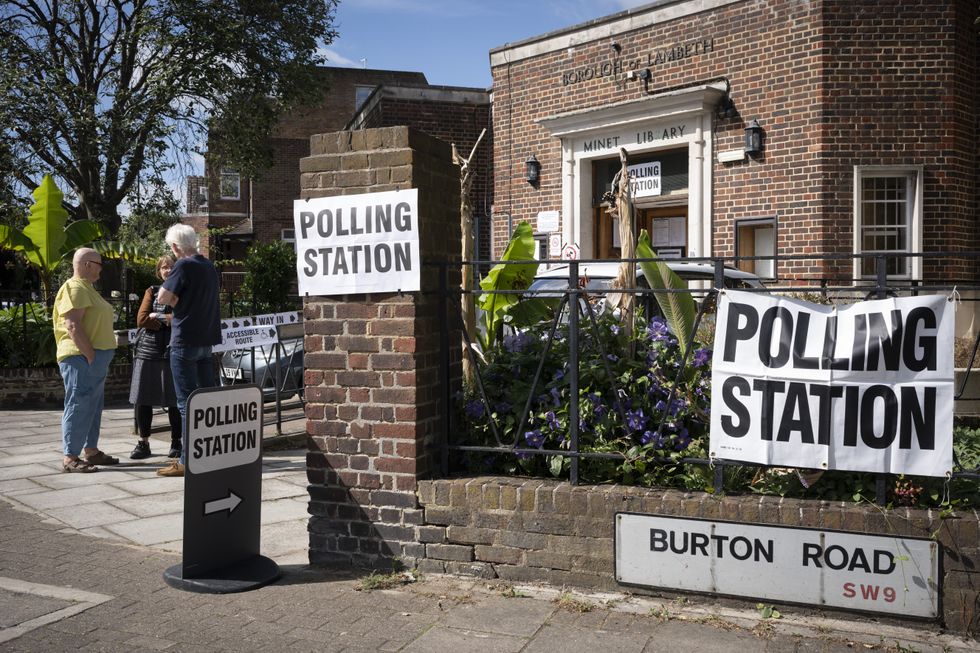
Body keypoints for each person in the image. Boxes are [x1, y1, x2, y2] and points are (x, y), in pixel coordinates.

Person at [155, 224, 221, 477]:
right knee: (207, 402)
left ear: (174, 247)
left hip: (184, 342)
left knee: (187, 404)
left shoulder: (183, 265)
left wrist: (176, 302)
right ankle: (209, 456)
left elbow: (162, 297)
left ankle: (186, 461)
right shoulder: (208, 266)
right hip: (207, 340)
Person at [53, 248, 120, 472]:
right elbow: (72, 325)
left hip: (91, 357)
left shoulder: (86, 288)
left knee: (92, 405)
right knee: (79, 404)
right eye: (100, 264)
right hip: (81, 357)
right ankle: (70, 457)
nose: (102, 268)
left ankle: (91, 451)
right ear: (88, 265)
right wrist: (90, 355)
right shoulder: (74, 287)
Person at [128, 255, 183, 460]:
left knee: (174, 400)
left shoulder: (182, 291)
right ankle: (143, 443)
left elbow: (182, 319)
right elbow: (142, 319)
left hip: (172, 349)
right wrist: (166, 320)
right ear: (159, 271)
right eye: (163, 268)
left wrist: (158, 317)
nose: (167, 270)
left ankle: (176, 442)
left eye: (170, 267)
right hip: (147, 351)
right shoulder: (151, 291)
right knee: (143, 399)